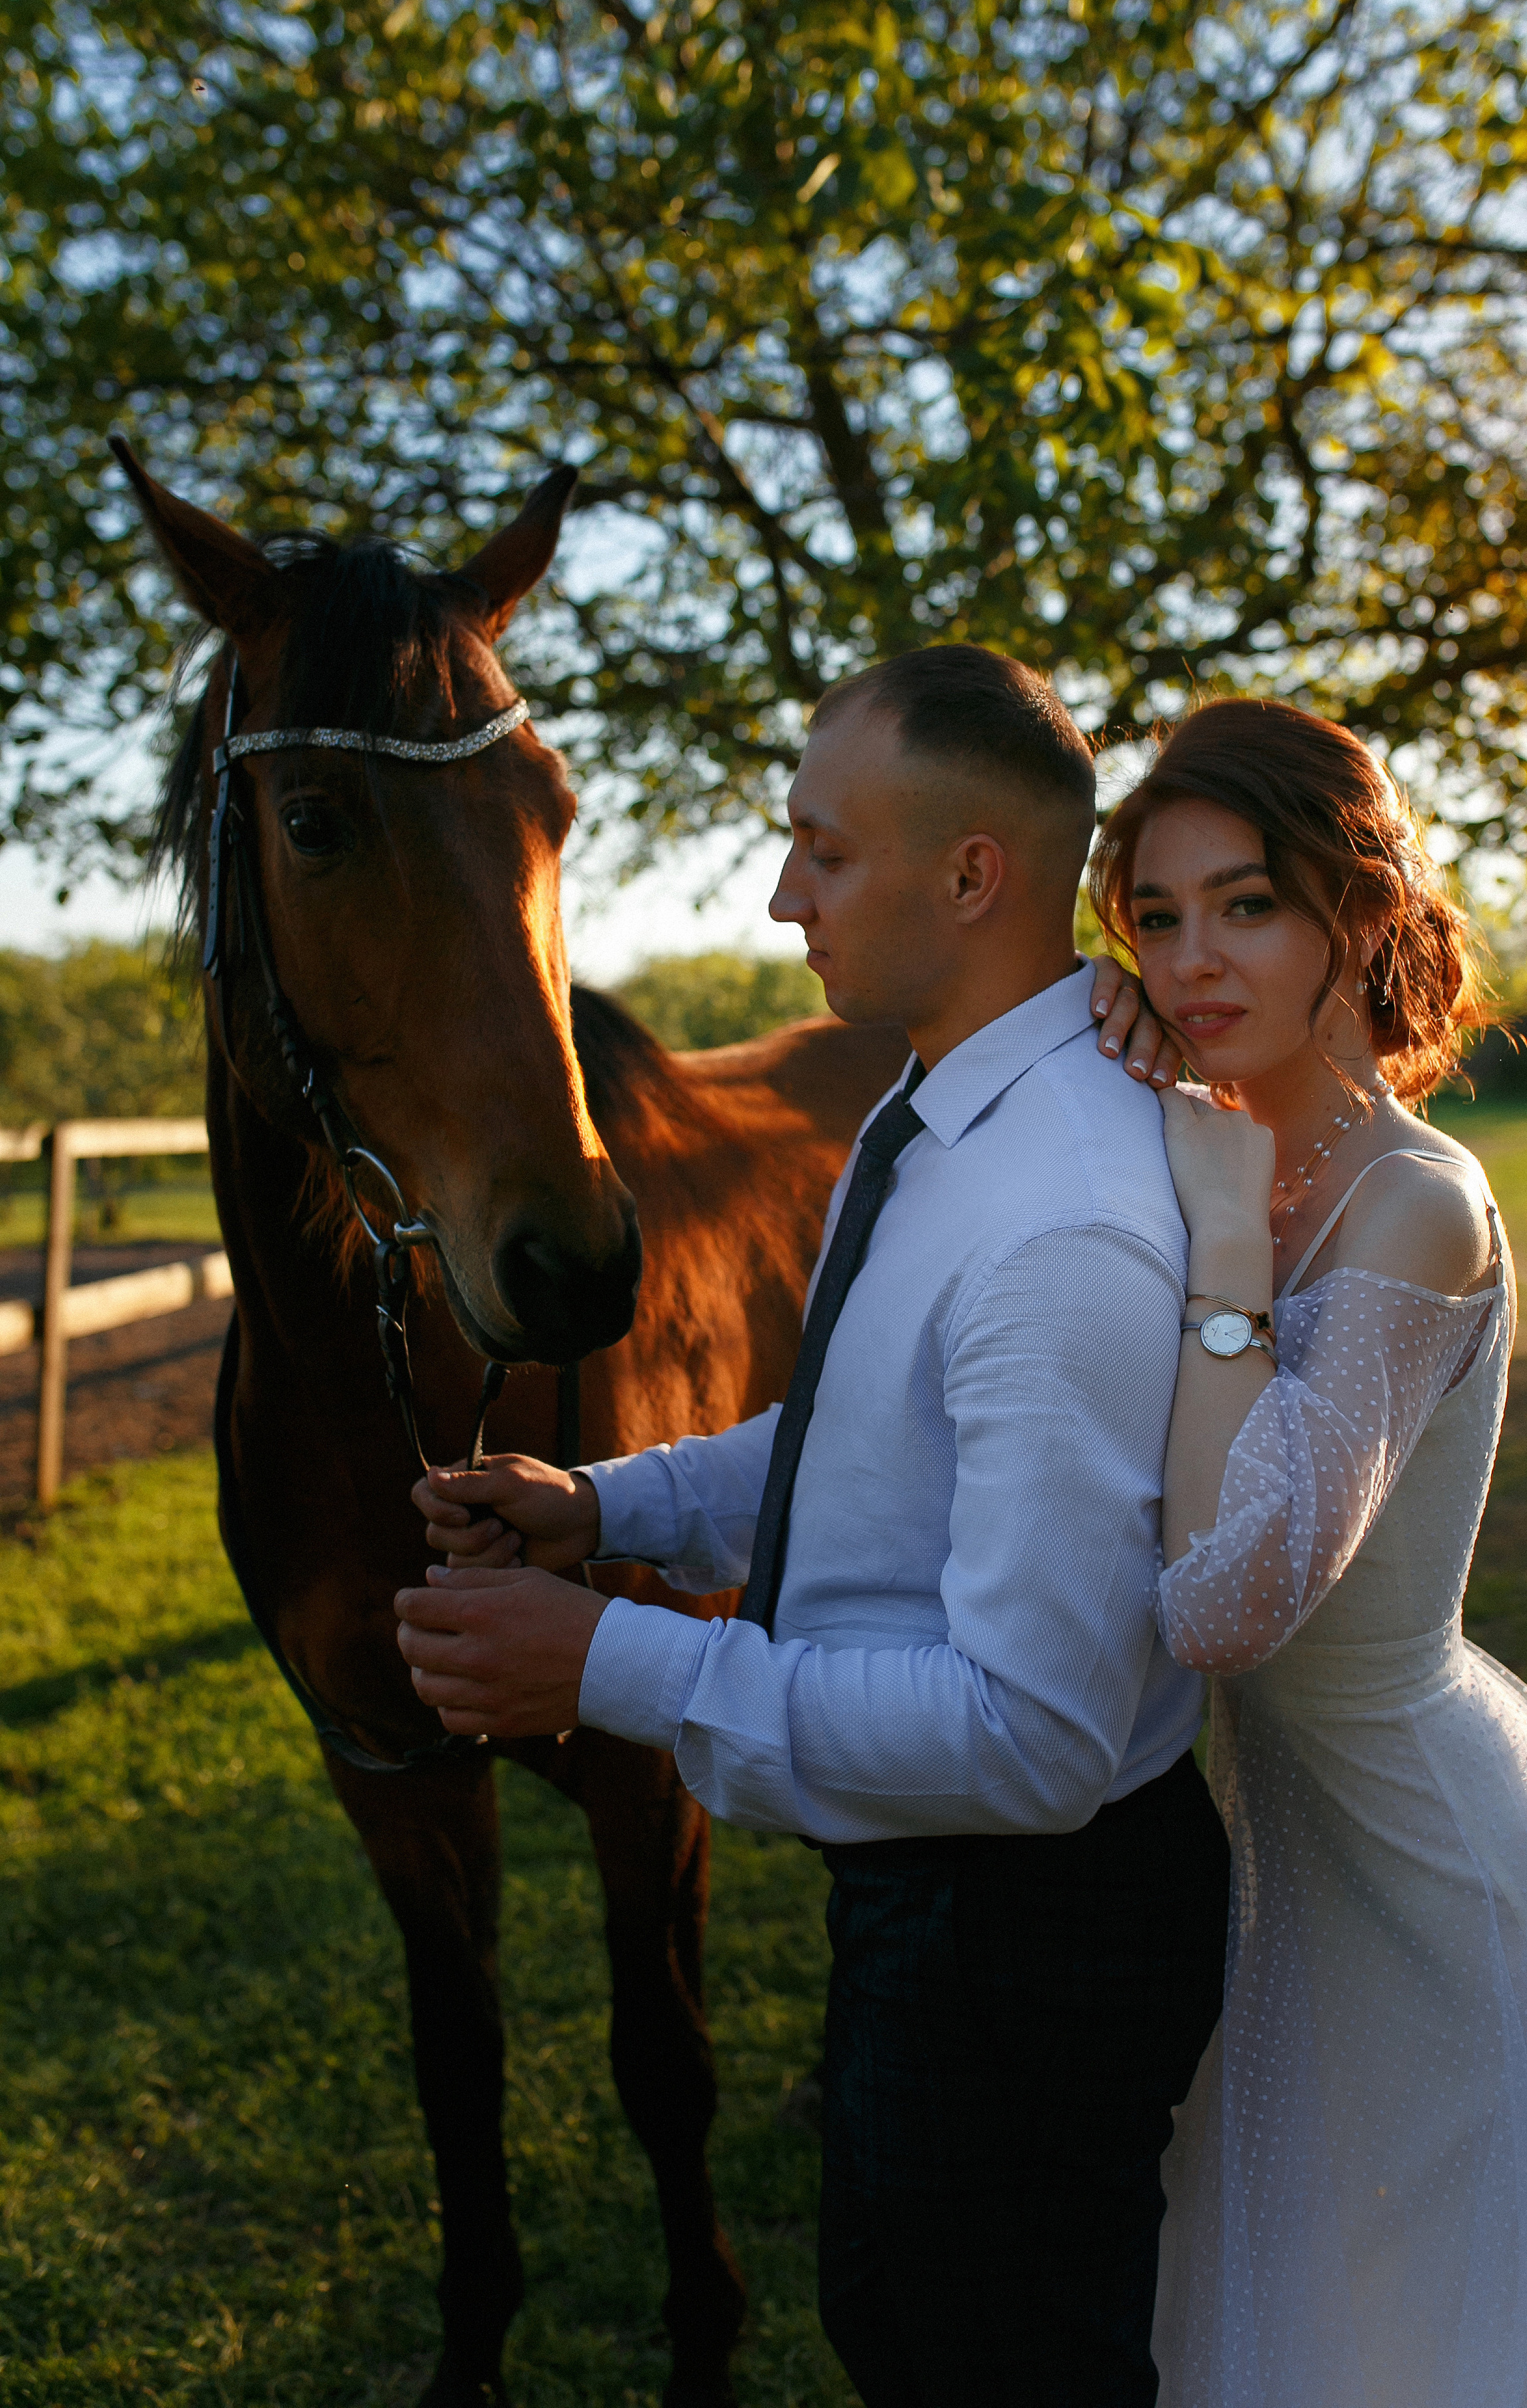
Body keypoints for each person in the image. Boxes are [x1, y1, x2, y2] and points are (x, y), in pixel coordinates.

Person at [392, 644, 1230, 2407]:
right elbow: (854, 1437)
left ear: (973, 875)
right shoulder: (928, 1121)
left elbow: (1036, 1738)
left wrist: (605, 1662)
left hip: (1026, 1928)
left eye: (824, 851)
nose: (782, 896)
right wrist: (599, 1509)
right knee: (897, 2327)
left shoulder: (1063, 1217)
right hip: (934, 1894)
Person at [1087, 694, 1527, 2407]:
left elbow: (1227, 1601)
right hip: (1297, 1897)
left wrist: (1224, 1249)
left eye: (1248, 904)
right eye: (1156, 917)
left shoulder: (1415, 1205)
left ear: (1357, 912)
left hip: (1469, 1917)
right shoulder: (1201, 1146)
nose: (1193, 960)